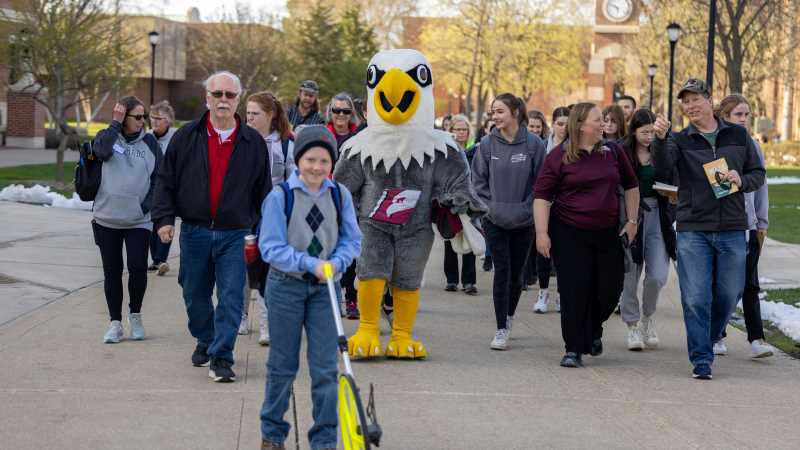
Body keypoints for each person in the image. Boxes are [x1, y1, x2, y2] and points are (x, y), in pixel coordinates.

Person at [334, 49, 486, 360]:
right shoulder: (359, 146)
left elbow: (457, 180)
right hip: (372, 225)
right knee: (370, 271)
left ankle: (401, 334)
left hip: (416, 228)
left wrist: (460, 199)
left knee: (408, 277)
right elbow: (340, 188)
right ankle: (368, 327)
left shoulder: (439, 146)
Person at [152, 71, 272, 382]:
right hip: (195, 231)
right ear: (207, 98)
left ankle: (221, 356)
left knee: (232, 296)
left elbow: (264, 192)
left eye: (229, 95)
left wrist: (266, 232)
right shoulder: (186, 136)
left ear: (238, 100)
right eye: (217, 94)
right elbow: (165, 180)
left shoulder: (253, 143)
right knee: (194, 293)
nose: (222, 100)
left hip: (235, 233)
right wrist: (164, 219)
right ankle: (205, 338)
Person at [651, 78, 766, 379]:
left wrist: (741, 180)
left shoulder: (739, 135)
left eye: (695, 100)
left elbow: (757, 173)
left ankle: (712, 334)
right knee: (695, 297)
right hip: (693, 228)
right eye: (685, 102)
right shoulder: (679, 140)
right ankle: (701, 358)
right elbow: (662, 170)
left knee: (729, 292)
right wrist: (661, 140)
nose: (690, 106)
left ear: (709, 99)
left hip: (731, 226)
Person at [258, 126, 362, 450]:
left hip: (324, 292)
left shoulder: (339, 195)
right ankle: (272, 435)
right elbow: (271, 247)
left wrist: (339, 262)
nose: (316, 167)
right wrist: (309, 264)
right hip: (285, 287)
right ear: (298, 159)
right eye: (310, 159)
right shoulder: (280, 197)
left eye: (323, 161)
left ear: (332, 163)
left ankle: (325, 440)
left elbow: (352, 239)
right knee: (282, 366)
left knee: (325, 370)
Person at [534, 102, 640, 368]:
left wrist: (632, 221)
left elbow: (631, 186)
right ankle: (573, 348)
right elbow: (542, 197)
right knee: (574, 290)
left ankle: (593, 329)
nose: (604, 123)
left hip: (607, 233)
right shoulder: (559, 156)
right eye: (598, 119)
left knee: (609, 288)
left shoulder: (613, 152)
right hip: (568, 232)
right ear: (581, 125)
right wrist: (541, 233)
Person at [472, 94, 545, 351]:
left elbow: (541, 183)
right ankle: (501, 327)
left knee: (517, 275)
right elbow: (478, 182)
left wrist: (529, 210)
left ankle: (510, 315)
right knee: (502, 271)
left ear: (515, 112)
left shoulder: (534, 144)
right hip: (495, 220)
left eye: (500, 111)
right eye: (493, 111)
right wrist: (487, 209)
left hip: (524, 221)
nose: (495, 116)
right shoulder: (486, 144)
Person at [93, 96, 161, 343]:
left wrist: (146, 206)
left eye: (145, 117)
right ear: (124, 117)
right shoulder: (107, 137)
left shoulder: (151, 143)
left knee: (137, 268)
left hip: (138, 221)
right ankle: (115, 323)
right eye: (138, 117)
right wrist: (114, 124)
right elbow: (99, 152)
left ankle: (135, 315)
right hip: (106, 218)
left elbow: (159, 178)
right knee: (112, 272)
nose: (143, 122)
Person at [714, 93, 774, 359]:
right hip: (721, 226)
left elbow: (761, 186)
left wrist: (761, 222)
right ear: (724, 117)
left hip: (748, 225)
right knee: (722, 284)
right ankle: (717, 334)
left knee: (750, 283)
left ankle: (756, 338)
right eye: (739, 114)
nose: (744, 119)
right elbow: (720, 189)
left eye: (747, 114)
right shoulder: (715, 144)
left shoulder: (753, 146)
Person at [619, 109, 677, 350]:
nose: (649, 137)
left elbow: (675, 176)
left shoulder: (664, 149)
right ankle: (632, 326)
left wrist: (673, 196)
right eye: (644, 132)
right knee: (630, 274)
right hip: (631, 214)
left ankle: (648, 317)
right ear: (634, 131)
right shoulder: (622, 151)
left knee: (657, 275)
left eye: (652, 132)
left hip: (658, 216)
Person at [242, 91, 296, 345]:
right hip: (241, 211)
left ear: (271, 115)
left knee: (266, 266)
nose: (249, 118)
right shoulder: (240, 139)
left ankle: (266, 323)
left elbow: (292, 182)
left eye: (255, 114)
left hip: (273, 214)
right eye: (248, 113)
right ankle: (240, 316)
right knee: (239, 264)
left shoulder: (285, 143)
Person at [443, 114, 478, 295]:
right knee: (450, 240)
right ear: (451, 131)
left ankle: (469, 281)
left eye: (464, 129)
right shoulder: (445, 151)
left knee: (469, 242)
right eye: (458, 129)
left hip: (470, 202)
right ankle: (451, 280)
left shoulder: (476, 151)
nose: (461, 133)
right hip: (450, 202)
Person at [147, 101, 177, 276]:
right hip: (151, 187)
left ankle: (161, 259)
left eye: (159, 118)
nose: (155, 121)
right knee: (152, 223)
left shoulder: (175, 137)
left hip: (169, 187)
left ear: (168, 121)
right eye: (153, 118)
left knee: (165, 221)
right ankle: (156, 259)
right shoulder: (148, 137)